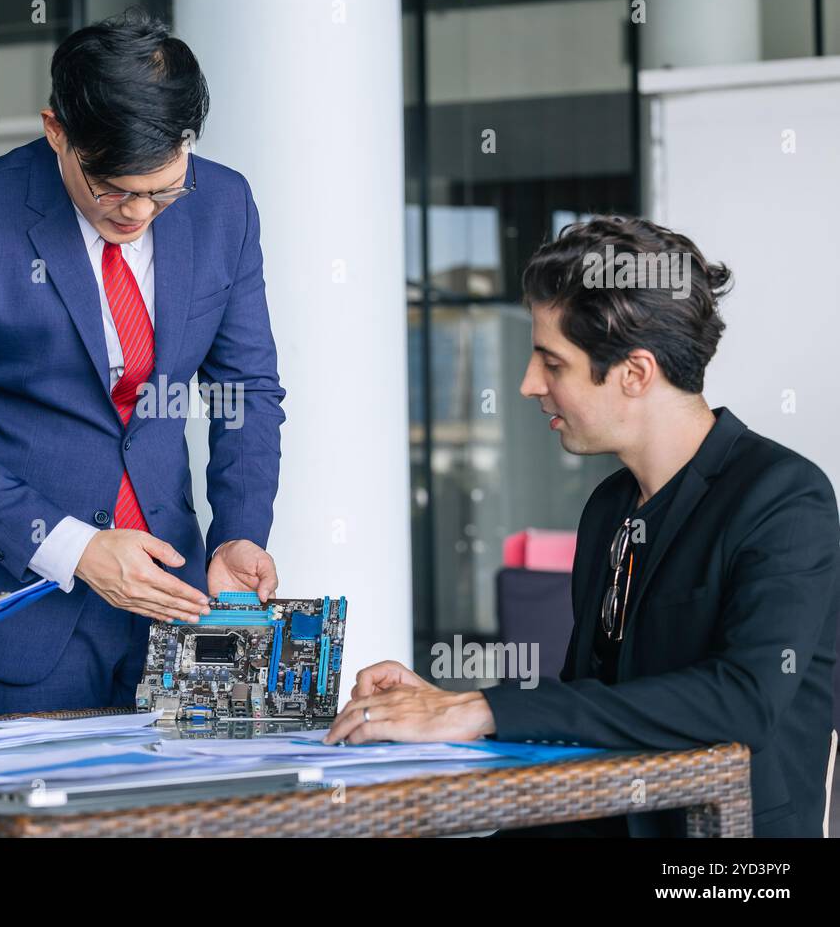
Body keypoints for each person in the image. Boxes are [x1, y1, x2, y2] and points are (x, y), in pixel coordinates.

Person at [325, 217, 839, 838]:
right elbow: (593, 703)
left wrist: (477, 709)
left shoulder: (783, 497)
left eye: (552, 363)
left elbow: (743, 702)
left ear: (635, 373)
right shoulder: (609, 507)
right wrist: (441, 705)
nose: (528, 384)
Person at [0, 8, 286, 716]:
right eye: (112, 189)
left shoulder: (225, 205)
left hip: (181, 602)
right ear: (56, 132)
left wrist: (239, 531)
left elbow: (245, 389)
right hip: (23, 617)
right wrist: (73, 549)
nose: (138, 213)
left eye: (162, 190)